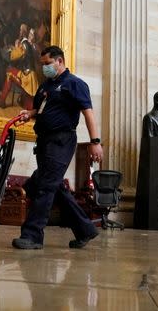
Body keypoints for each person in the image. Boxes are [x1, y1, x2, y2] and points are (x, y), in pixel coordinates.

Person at [12, 46, 103, 250]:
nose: (44, 67)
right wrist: (30, 114)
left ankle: (32, 235)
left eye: (47, 64)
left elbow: (88, 113)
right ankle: (85, 229)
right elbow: (41, 109)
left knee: (44, 186)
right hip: (44, 141)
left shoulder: (75, 84)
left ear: (59, 61)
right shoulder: (46, 87)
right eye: (42, 64)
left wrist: (94, 142)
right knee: (52, 185)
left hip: (61, 141)